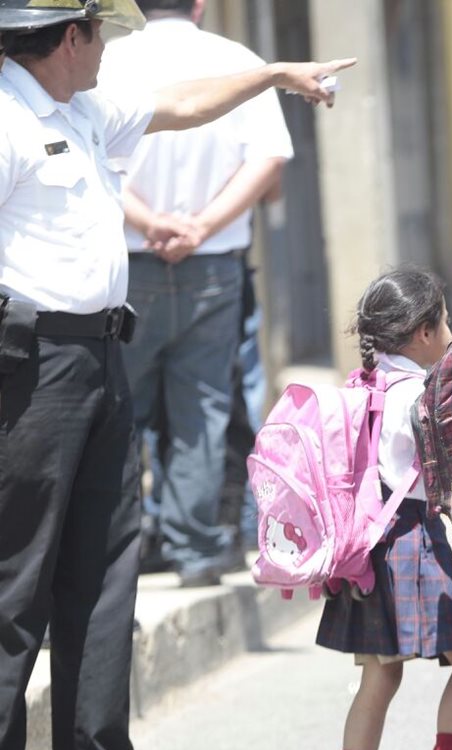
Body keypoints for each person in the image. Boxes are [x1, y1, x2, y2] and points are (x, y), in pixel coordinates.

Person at [0, 0, 353, 750]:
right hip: (28, 369)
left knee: (102, 580)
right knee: (16, 588)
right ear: (69, 37)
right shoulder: (6, 120)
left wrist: (270, 74)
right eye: (100, 34)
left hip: (98, 358)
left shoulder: (80, 107)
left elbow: (186, 103)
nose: (107, 52)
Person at [97, 0, 295, 587]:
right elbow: (269, 157)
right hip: (214, 262)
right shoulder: (238, 60)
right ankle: (196, 547)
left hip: (130, 261)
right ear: (201, 5)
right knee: (202, 406)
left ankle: (120, 551)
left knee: (118, 411)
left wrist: (151, 222)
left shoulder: (107, 59)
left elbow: (93, 155)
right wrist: (202, 226)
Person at [316, 269, 452, 750]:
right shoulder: (419, 394)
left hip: (366, 547)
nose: (450, 329)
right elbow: (441, 473)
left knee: (379, 678)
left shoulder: (364, 384)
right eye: (443, 321)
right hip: (412, 543)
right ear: (421, 332)